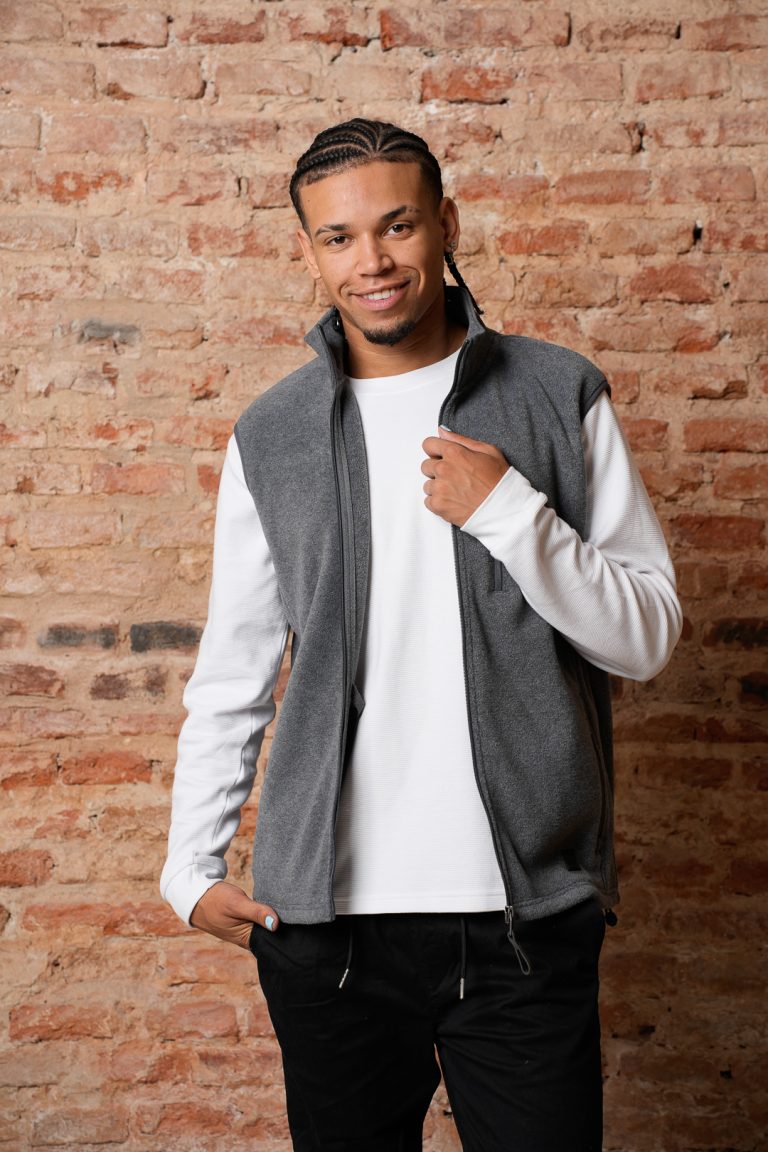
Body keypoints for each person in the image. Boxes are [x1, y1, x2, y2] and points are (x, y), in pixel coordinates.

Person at [161, 118, 682, 1151]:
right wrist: (189, 866)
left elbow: (647, 637)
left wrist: (512, 516)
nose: (373, 261)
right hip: (327, 933)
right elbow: (234, 672)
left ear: (446, 223)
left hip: (525, 923)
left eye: (397, 226)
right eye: (340, 237)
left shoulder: (557, 392)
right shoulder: (271, 435)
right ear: (309, 251)